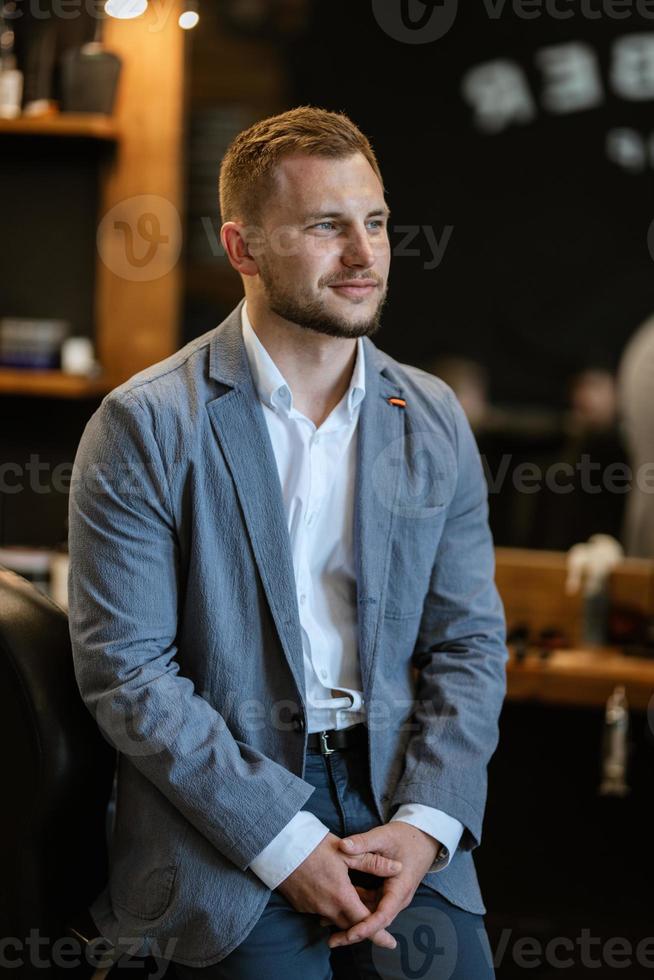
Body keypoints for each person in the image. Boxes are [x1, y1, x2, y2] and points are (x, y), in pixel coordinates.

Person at [67, 106, 507, 980]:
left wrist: (427, 824)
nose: (365, 254)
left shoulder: (430, 417)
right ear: (242, 249)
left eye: (375, 222)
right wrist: (283, 838)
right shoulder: (147, 424)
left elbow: (469, 644)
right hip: (219, 818)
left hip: (397, 793)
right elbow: (127, 671)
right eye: (325, 227)